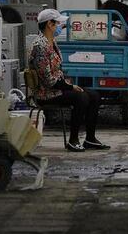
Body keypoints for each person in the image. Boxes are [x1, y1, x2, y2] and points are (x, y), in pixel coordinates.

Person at [28, 9, 109, 152]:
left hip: (57, 88)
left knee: (95, 95)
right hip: (46, 93)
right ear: (49, 24)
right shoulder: (40, 46)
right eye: (58, 23)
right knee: (81, 97)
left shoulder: (51, 42)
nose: (61, 26)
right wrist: (70, 87)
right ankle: (73, 140)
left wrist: (68, 86)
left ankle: (90, 139)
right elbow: (48, 81)